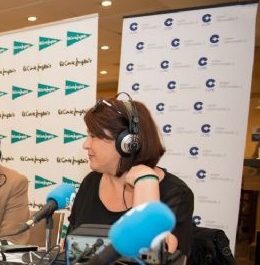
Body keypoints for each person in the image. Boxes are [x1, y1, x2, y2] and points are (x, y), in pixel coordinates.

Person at [68, 95, 194, 256]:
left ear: (127, 142)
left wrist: (146, 184)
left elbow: (152, 258)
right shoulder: (91, 182)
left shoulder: (175, 193)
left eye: (93, 136)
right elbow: (70, 250)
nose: (85, 144)